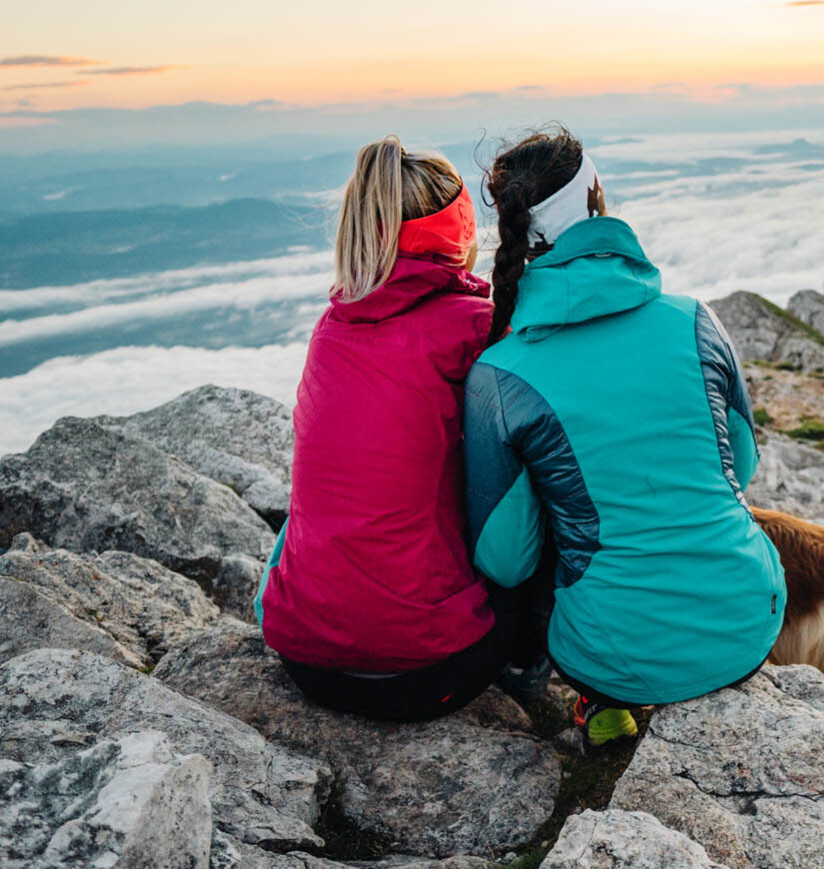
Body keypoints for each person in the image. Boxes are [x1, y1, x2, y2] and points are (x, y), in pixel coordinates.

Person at [464, 128, 786, 747]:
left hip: (609, 657)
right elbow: (740, 468)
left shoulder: (501, 373)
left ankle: (599, 711)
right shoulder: (697, 319)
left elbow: (504, 559)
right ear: (597, 202)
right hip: (747, 621)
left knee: (564, 524)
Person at [255, 136, 515, 720]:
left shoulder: (331, 329)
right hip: (426, 674)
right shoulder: (475, 328)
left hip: (306, 663)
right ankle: (538, 668)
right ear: (461, 229)